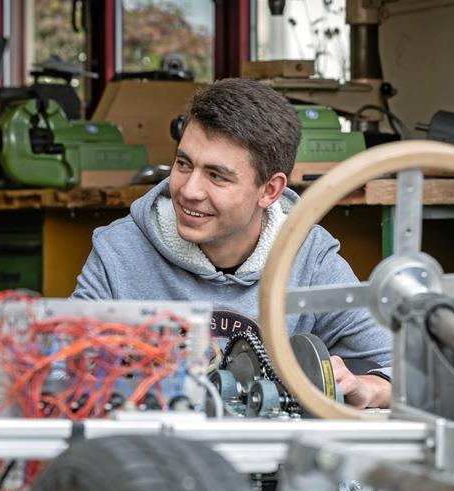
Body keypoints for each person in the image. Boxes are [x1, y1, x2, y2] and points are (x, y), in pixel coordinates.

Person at [72, 77, 392, 408]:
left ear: (269, 190)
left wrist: (369, 387)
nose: (189, 190)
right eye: (184, 164)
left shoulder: (309, 258)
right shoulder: (118, 252)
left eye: (217, 176)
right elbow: (61, 375)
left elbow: (406, 373)